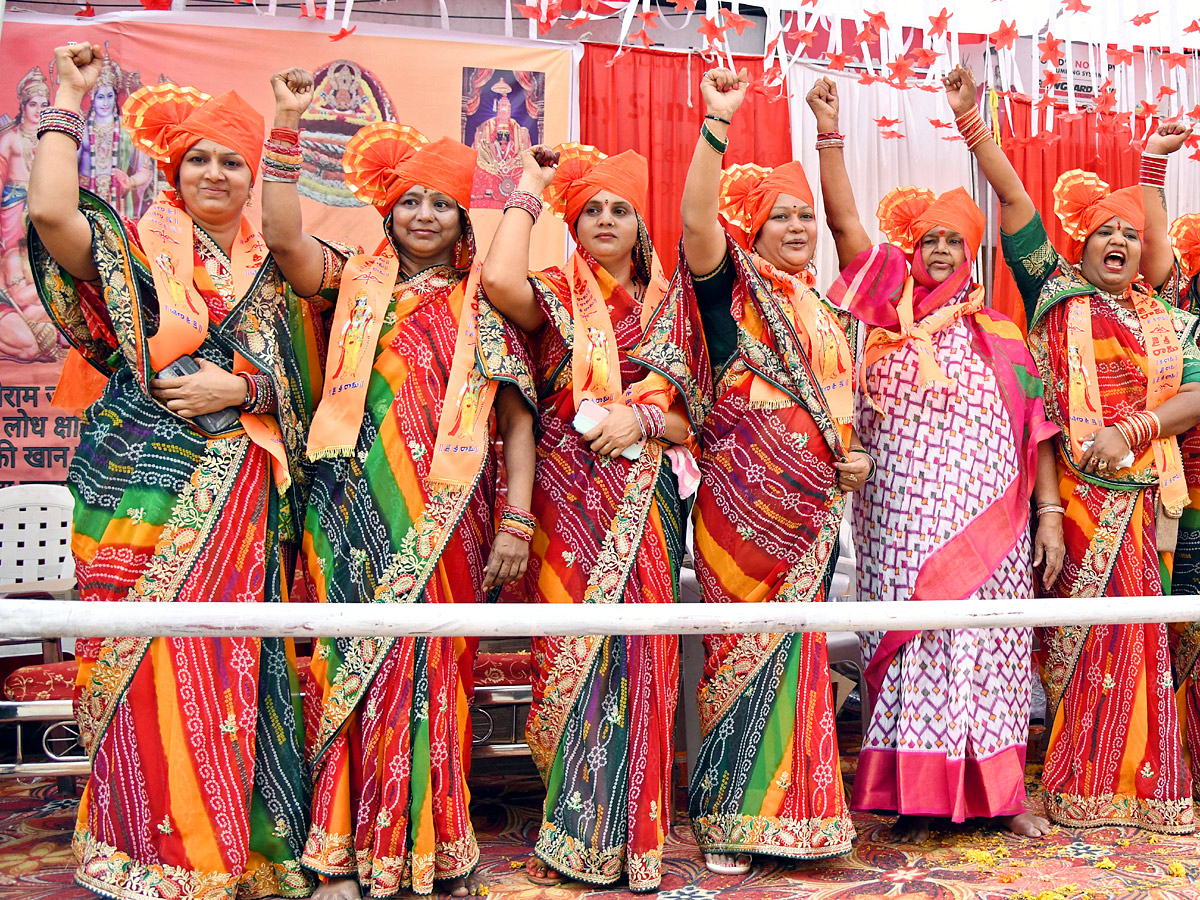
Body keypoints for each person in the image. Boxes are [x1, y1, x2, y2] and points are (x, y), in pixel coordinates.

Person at [26, 43, 325, 899]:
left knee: (230, 666)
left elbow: (309, 387)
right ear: (173, 167)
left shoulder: (274, 274)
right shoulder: (136, 254)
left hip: (243, 498)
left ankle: (241, 848)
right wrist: (69, 98)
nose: (217, 174)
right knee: (147, 659)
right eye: (199, 157)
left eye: (235, 160)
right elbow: (51, 218)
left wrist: (248, 384)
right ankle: (145, 850)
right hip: (137, 497)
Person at [260, 69, 537, 900]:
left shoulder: (485, 303)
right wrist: (285, 124)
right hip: (347, 510)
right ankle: (343, 851)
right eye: (410, 201)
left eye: (441, 204)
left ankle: (426, 845)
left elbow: (518, 421)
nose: (424, 215)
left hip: (445, 517)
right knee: (350, 666)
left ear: (461, 218)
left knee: (428, 672)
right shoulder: (350, 284)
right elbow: (280, 242)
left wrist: (515, 523)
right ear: (388, 212)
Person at [806, 74, 1062, 843]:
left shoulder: (1006, 337)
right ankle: (913, 799)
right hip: (899, 524)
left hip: (993, 530)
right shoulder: (886, 309)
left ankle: (1001, 797)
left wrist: (1048, 517)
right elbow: (846, 223)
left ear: (972, 251)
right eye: (929, 241)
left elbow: (1039, 437)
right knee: (909, 645)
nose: (940, 250)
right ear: (913, 252)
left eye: (954, 240)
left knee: (987, 649)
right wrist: (828, 133)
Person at [947, 60, 1200, 832]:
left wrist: (1134, 430)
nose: (1120, 241)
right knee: (1082, 644)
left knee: (1143, 640)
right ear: (1080, 246)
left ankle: (1148, 789)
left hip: (1152, 504)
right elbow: (1017, 202)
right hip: (1073, 504)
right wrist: (972, 124)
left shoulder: (1165, 316)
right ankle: (1075, 781)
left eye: (1132, 232)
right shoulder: (1052, 292)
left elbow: (1195, 396)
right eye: (1105, 232)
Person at [480, 142, 709, 891]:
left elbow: (693, 420)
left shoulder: (671, 308)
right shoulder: (549, 293)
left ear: (641, 223)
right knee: (573, 659)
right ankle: (575, 832)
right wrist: (530, 188)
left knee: (641, 659)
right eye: (590, 211)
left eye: (619, 208)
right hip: (567, 498)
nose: (604, 219)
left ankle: (636, 842)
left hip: (645, 502)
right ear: (571, 226)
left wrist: (639, 424)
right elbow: (496, 277)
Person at [676, 67, 864, 873]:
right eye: (780, 217)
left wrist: (851, 456)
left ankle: (803, 815)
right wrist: (717, 122)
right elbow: (692, 226)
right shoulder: (732, 296)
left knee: (800, 657)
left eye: (804, 218)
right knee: (738, 652)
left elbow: (839, 407)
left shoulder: (828, 309)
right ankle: (730, 821)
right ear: (748, 233)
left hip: (814, 511)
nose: (798, 227)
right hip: (738, 511)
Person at [0, 65, 59, 361]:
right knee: (15, 259)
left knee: (43, 259)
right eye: (32, 104)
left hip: (44, 206)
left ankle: (40, 313)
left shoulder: (50, 138)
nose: (37, 110)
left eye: (43, 105)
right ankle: (19, 314)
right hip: (12, 208)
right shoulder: (9, 137)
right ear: (23, 106)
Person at [79, 56, 154, 218]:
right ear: (92, 99)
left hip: (121, 206)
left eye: (110, 96)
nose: (105, 103)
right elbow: (66, 168)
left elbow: (145, 171)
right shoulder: (82, 129)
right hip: (84, 202)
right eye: (100, 97)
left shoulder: (130, 130)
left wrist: (130, 182)